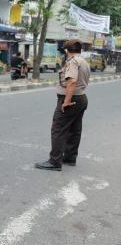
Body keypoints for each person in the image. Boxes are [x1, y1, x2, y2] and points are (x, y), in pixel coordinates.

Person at [35, 39, 89, 171]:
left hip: (70, 98)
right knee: (75, 129)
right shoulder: (83, 61)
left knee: (58, 129)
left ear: (66, 51)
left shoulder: (72, 62)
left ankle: (54, 161)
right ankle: (70, 157)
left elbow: (71, 82)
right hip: (82, 97)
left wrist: (66, 101)